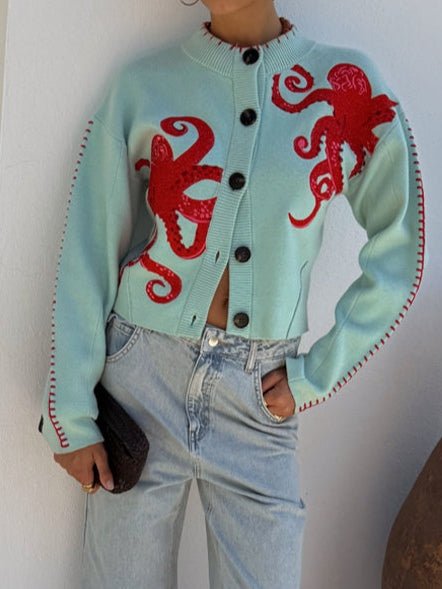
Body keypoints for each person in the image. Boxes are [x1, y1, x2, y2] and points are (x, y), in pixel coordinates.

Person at [37, 0, 426, 587]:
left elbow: (401, 253)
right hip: (140, 382)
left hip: (259, 398)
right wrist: (70, 413)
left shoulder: (346, 86)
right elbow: (89, 249)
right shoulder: (142, 85)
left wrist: (314, 375)